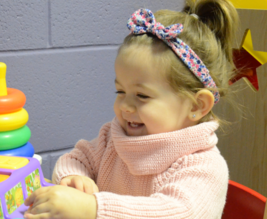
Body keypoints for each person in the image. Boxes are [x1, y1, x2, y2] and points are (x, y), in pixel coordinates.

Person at [24, 0, 239, 218]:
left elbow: (179, 212)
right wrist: (74, 179)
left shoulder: (205, 167)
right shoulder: (112, 139)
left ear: (196, 105)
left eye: (142, 96)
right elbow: (76, 158)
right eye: (120, 92)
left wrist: (92, 208)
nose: (125, 106)